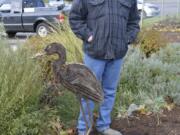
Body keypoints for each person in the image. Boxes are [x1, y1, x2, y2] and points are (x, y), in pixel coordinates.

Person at [69, 0, 140, 135]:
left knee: (109, 91)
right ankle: (84, 129)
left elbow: (134, 22)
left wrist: (126, 39)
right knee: (88, 91)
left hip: (117, 53)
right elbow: (75, 18)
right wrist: (88, 36)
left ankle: (104, 126)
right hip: (94, 53)